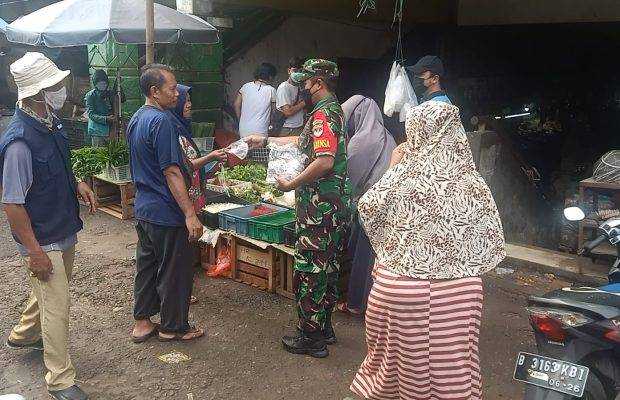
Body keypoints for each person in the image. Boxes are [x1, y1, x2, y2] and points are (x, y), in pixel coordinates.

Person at [350, 100, 506, 400]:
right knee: (453, 368)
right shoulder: (471, 182)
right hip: (461, 292)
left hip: (398, 289)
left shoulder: (402, 176)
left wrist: (394, 167)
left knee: (396, 369)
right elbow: (488, 237)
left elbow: (368, 207)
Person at [0, 52, 97, 400]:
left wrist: (77, 182)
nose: (61, 89)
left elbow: (60, 163)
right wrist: (34, 252)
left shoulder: (50, 122)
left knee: (50, 289)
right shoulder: (19, 142)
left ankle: (24, 334)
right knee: (58, 304)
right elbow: (12, 204)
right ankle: (59, 379)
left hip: (63, 223)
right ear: (38, 92)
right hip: (42, 236)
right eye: (55, 85)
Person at [246, 59, 351, 358]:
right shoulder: (331, 110)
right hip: (333, 206)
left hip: (319, 208)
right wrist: (265, 140)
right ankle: (324, 328)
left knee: (310, 271)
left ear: (318, 83)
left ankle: (311, 337)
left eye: (305, 82)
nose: (302, 87)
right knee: (328, 267)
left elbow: (324, 161)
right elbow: (306, 142)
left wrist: (291, 184)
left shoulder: (323, 114)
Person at [127, 64, 205, 343]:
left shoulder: (137, 117)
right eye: (172, 89)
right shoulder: (162, 122)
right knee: (175, 269)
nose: (177, 94)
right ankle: (173, 327)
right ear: (154, 91)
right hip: (165, 209)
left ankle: (142, 322)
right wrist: (189, 214)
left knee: (147, 266)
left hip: (144, 208)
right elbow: (171, 171)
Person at [168, 84, 227, 304]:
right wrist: (211, 157)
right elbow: (186, 165)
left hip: (193, 196)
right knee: (180, 249)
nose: (189, 105)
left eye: (189, 100)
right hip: (184, 200)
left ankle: (181, 289)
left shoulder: (182, 128)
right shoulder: (173, 131)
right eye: (185, 100)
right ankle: (177, 293)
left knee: (187, 247)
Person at [338, 95, 396, 315]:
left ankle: (357, 304)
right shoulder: (386, 135)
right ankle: (375, 304)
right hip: (388, 203)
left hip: (372, 205)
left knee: (364, 255)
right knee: (376, 256)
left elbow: (349, 179)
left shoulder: (361, 142)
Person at [234, 63, 277, 138]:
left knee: (244, 145)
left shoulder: (245, 86)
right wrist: (271, 124)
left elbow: (236, 105)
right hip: (261, 129)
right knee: (260, 146)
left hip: (244, 128)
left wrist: (240, 120)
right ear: (270, 77)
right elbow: (274, 111)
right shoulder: (271, 90)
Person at [275, 57, 306, 136]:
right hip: (288, 129)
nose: (298, 73)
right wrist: (304, 102)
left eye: (300, 71)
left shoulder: (300, 86)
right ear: (289, 71)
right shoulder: (284, 87)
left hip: (299, 127)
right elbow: (287, 112)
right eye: (295, 71)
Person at [84, 69, 114, 147]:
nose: (102, 85)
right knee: (99, 152)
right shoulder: (90, 96)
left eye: (104, 83)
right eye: (100, 83)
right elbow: (91, 114)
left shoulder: (109, 93)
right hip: (97, 131)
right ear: (95, 84)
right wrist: (106, 119)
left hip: (110, 130)